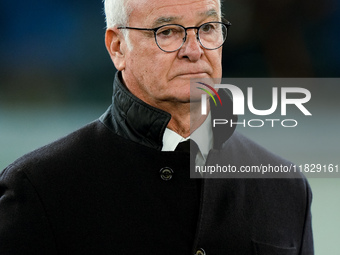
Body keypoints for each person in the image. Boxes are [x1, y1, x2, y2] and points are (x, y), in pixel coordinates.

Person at [0, 0, 313, 254]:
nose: (194, 50)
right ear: (117, 47)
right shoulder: (39, 187)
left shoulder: (286, 188)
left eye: (207, 28)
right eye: (167, 31)